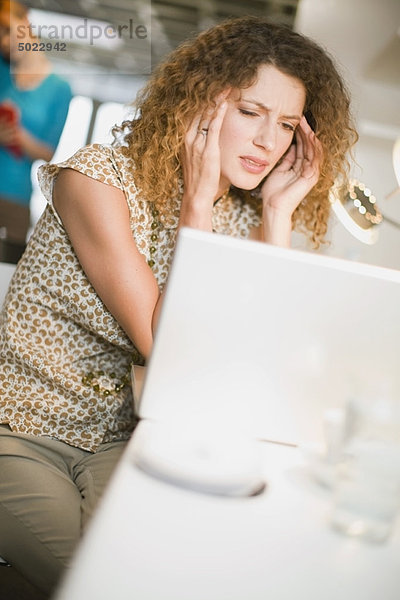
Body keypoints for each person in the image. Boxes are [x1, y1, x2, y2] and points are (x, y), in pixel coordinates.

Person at [0, 15, 357, 597]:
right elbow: (172, 352)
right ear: (204, 104)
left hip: (120, 439)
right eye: (250, 113)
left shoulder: (244, 217)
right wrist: (196, 205)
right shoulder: (97, 180)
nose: (270, 141)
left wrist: (276, 217)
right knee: (106, 580)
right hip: (15, 429)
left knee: (170, 562)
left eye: (288, 124)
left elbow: (247, 364)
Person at [0, 0, 72, 261]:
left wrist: (17, 135)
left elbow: (47, 152)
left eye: (7, 31)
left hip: (14, 198)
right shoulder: (2, 71)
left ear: (26, 23)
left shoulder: (60, 89)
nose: (4, 42)